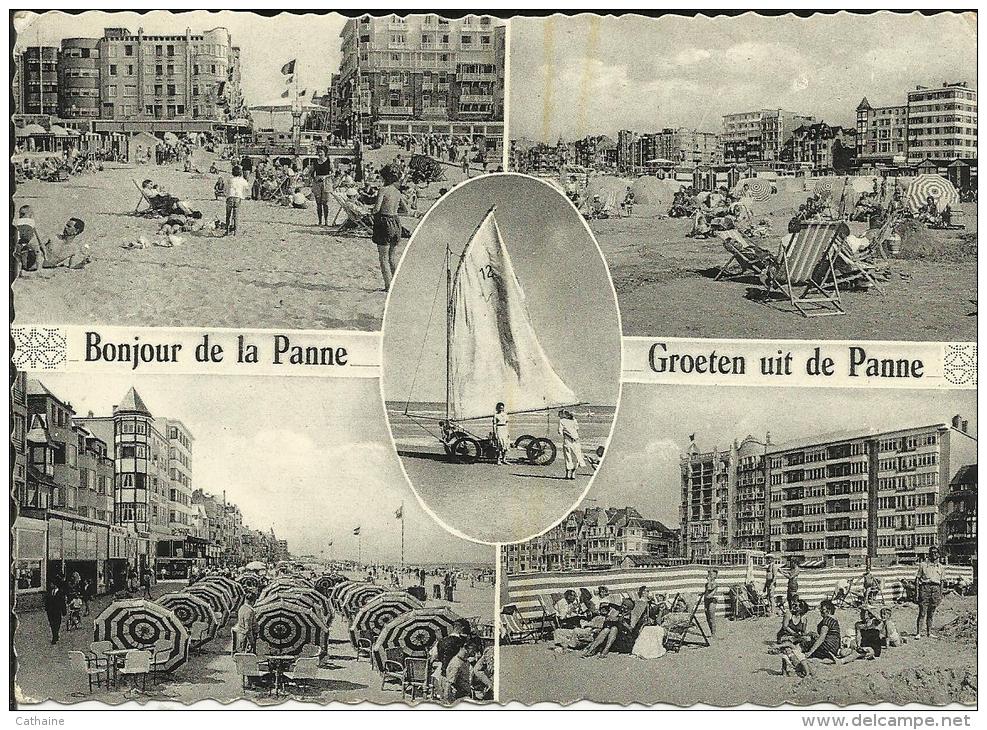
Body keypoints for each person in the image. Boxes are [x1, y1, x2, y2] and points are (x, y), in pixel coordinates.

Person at [371, 164, 409, 292]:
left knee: (383, 257)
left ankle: (388, 286)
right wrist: (394, 213)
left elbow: (376, 209)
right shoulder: (397, 192)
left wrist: (372, 212)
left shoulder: (383, 190)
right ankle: (396, 284)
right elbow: (406, 210)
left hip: (384, 222)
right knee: (392, 256)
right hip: (396, 222)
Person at [914, 546, 945, 639]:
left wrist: (941, 594)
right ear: (929, 554)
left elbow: (942, 582)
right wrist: (917, 592)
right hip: (925, 588)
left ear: (939, 554)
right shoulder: (923, 565)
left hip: (936, 589)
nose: (933, 554)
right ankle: (918, 633)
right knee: (922, 612)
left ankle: (929, 632)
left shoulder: (941, 567)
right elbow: (917, 579)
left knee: (931, 612)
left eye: (935, 552)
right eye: (931, 552)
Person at [558, 410, 585, 480]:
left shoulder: (562, 421)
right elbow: (576, 429)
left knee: (568, 457)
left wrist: (566, 433)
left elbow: (560, 432)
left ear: (563, 415)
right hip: (576, 439)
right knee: (576, 457)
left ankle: (567, 474)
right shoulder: (574, 420)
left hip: (567, 441)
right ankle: (573, 474)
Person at [225, 165, 250, 236]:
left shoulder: (229, 180)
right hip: (237, 198)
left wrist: (226, 194)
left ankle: (227, 230)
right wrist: (244, 195)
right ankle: (235, 232)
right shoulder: (242, 180)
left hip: (230, 197)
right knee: (236, 215)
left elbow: (225, 188)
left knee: (228, 215)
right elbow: (247, 188)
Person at [310, 148, 333, 225]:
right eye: (318, 152)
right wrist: (314, 178)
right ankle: (320, 221)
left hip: (326, 182)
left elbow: (333, 173)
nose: (319, 154)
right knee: (318, 203)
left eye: (321, 152)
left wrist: (325, 177)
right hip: (317, 183)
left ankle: (326, 221)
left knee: (325, 203)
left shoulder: (329, 161)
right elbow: (311, 173)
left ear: (325, 153)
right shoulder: (315, 162)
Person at [43, 573, 67, 645]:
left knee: (57, 623)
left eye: (51, 584)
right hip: (50, 611)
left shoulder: (60, 592)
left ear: (55, 584)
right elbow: (47, 601)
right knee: (52, 624)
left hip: (57, 611)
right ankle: (55, 635)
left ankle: (55, 636)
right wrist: (46, 608)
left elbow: (62, 602)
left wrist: (64, 611)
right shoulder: (49, 592)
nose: (50, 585)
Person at [703, 568, 719, 639]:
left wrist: (709, 580)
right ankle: (711, 632)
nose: (709, 575)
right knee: (707, 617)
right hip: (706, 600)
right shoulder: (707, 584)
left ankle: (714, 633)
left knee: (711, 616)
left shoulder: (715, 584)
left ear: (715, 576)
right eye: (709, 574)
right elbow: (706, 592)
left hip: (712, 601)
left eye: (711, 574)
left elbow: (710, 589)